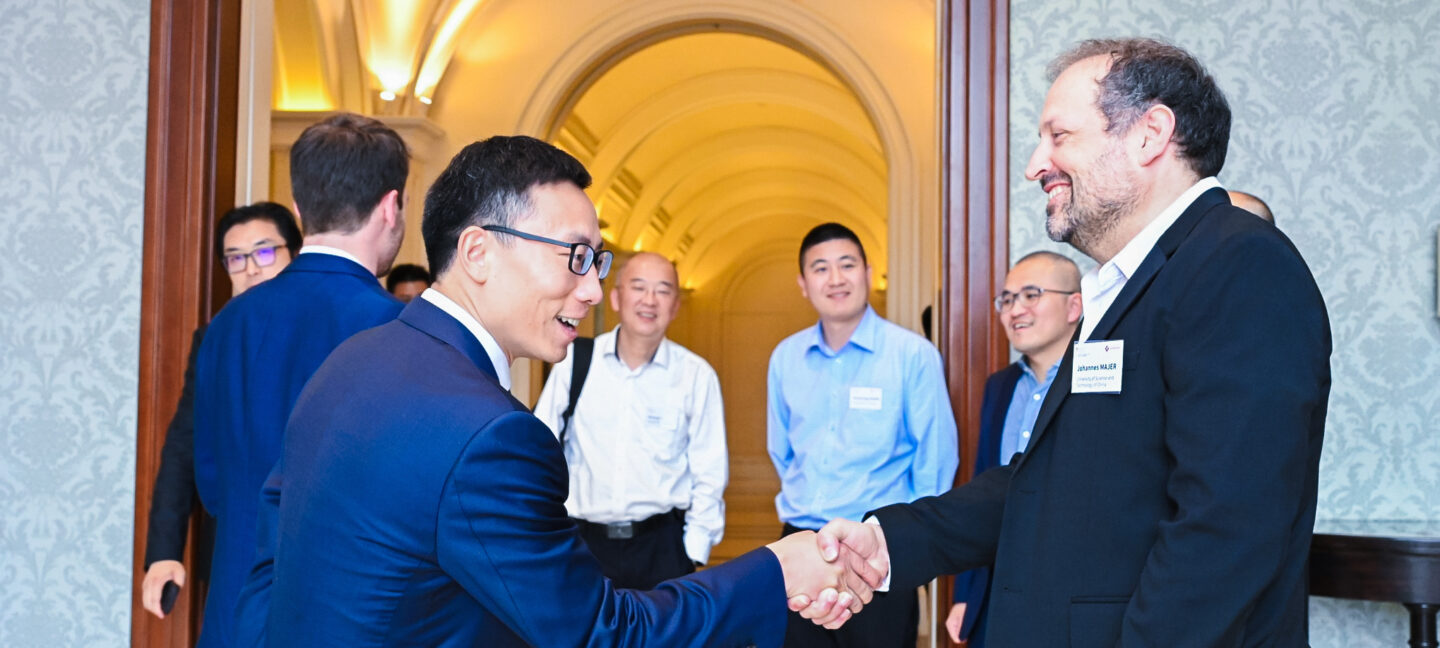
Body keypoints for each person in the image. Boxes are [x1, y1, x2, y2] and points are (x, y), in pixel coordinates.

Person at [802, 38, 1331, 646]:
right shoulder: (1131, 285)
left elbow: (1226, 528)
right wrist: (888, 542)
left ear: (1150, 134)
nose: (1036, 165)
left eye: (1059, 136)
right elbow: (1048, 481)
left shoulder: (1239, 264)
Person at [255, 135, 880, 646]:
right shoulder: (491, 435)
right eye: (575, 256)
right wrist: (775, 570)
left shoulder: (351, 361)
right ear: (478, 251)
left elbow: (273, 550)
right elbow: (603, 635)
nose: (591, 290)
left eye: (597, 261)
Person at [192, 113, 409, 648]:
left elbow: (212, 484)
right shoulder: (399, 329)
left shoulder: (226, 325)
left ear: (297, 209)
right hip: (346, 618)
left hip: (235, 615)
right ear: (390, 207)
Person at [767, 222, 959, 647]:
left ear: (868, 273)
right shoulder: (785, 358)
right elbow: (782, 451)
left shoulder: (912, 355)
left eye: (847, 265)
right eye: (820, 268)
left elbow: (935, 462)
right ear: (803, 284)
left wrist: (909, 543)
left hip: (878, 550)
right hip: (800, 546)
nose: (835, 278)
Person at [140, 202, 302, 619]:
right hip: (236, 547)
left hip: (314, 542)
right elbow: (184, 444)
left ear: (296, 254)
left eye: (264, 252)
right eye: (235, 258)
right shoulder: (213, 339)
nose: (251, 269)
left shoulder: (330, 328)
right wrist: (163, 551)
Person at [533, 251, 728, 589]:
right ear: (616, 298)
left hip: (662, 547)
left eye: (663, 290)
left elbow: (709, 469)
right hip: (581, 543)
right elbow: (540, 449)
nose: (649, 300)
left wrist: (693, 550)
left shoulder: (695, 375)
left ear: (675, 306)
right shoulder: (575, 362)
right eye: (638, 287)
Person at [944, 251, 1081, 647]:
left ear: (1075, 306)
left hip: (1069, 587)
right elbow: (981, 491)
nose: (1015, 310)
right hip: (997, 583)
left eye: (1031, 295)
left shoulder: (1097, 380)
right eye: (1006, 299)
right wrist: (966, 594)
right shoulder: (1000, 386)